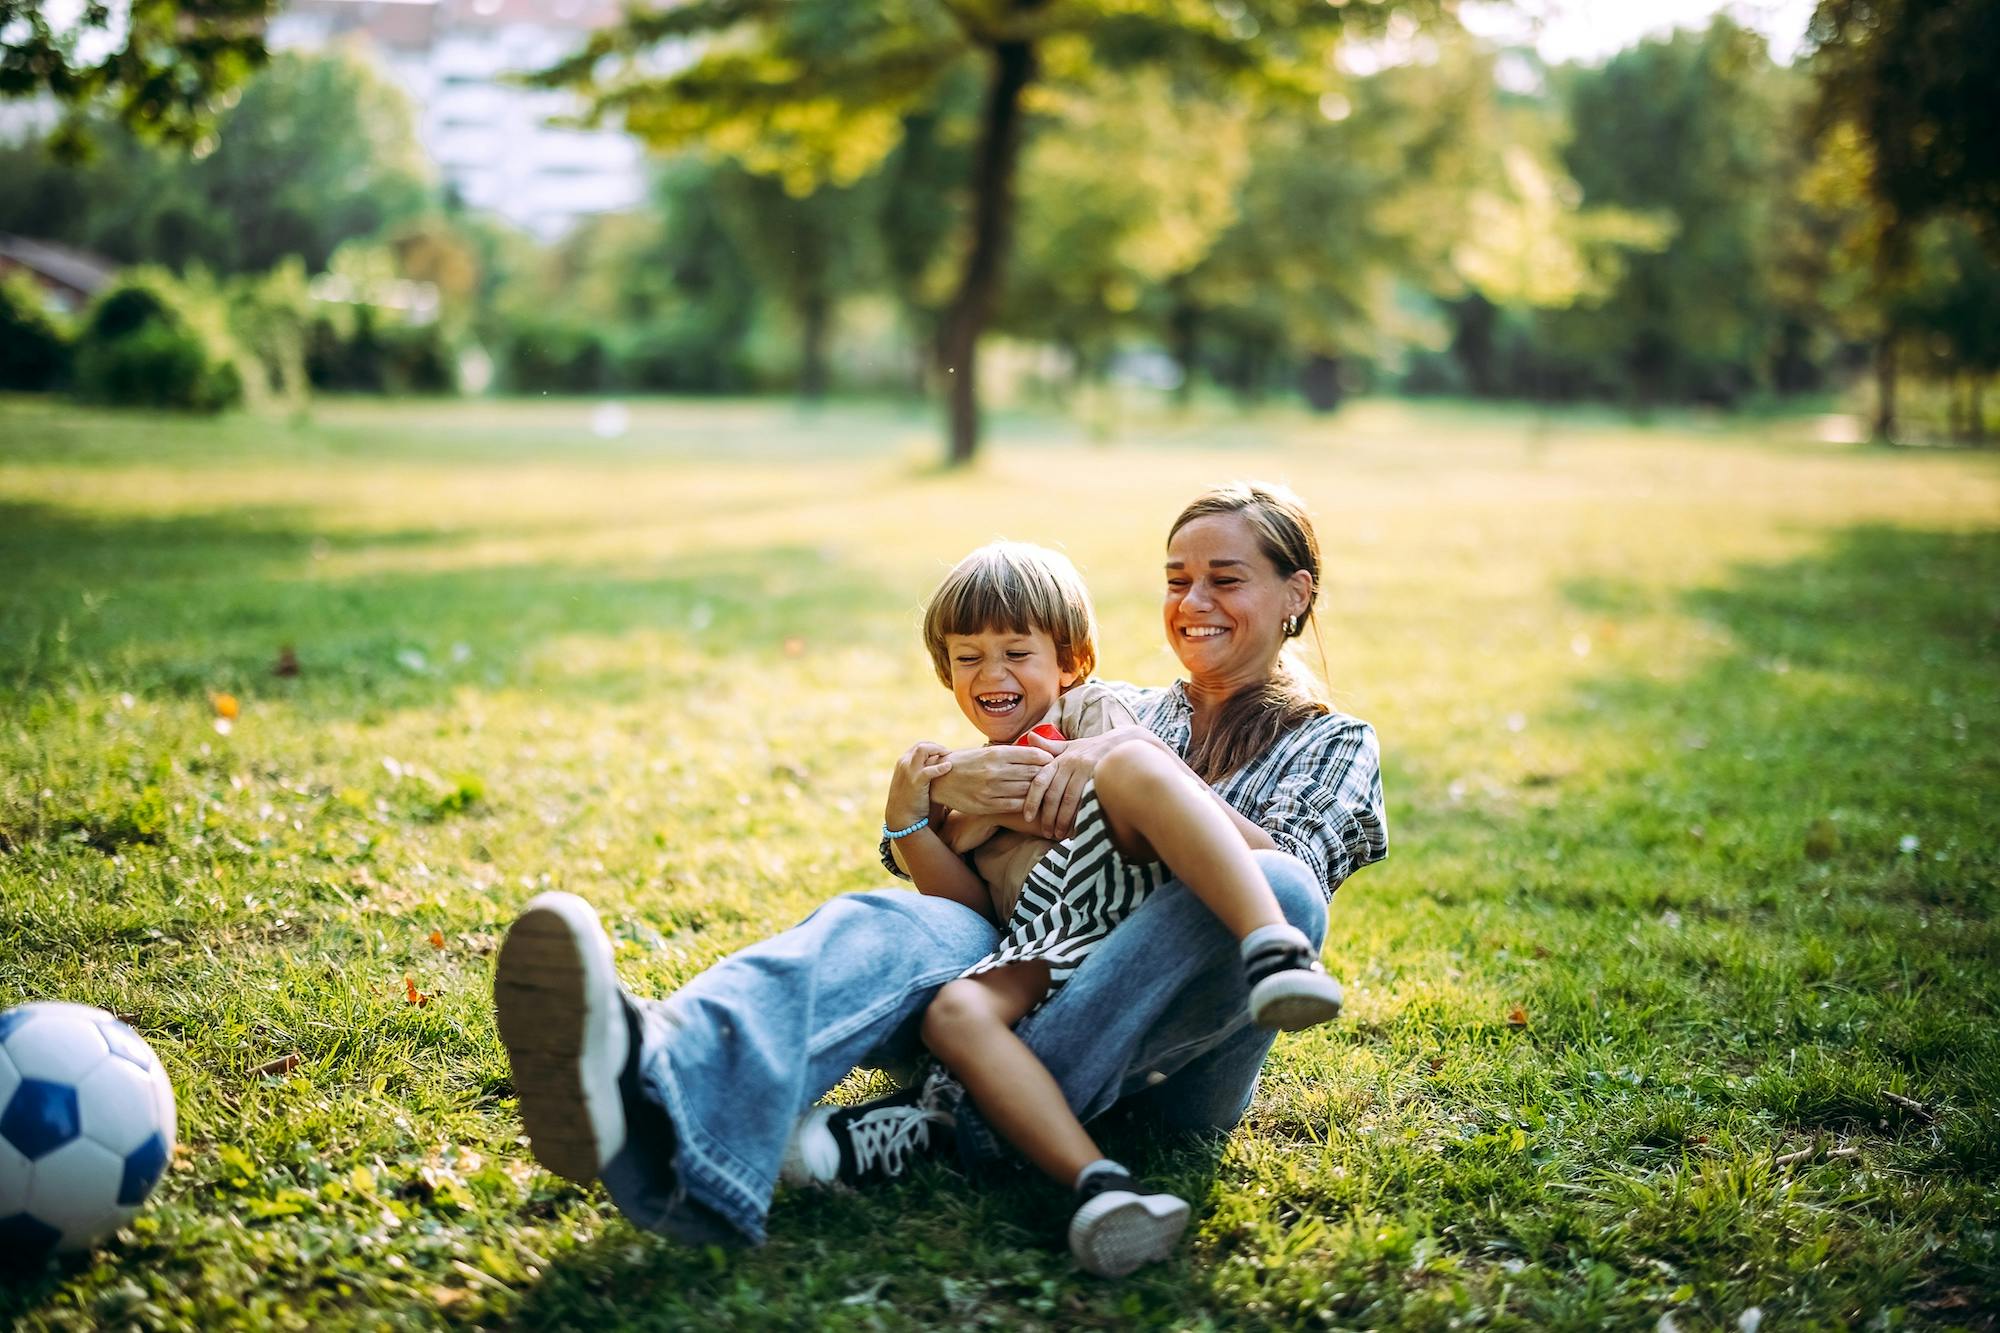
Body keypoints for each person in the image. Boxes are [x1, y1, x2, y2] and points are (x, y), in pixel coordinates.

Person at [491, 481, 1387, 1261]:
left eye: (1224, 579)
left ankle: (950, 1119)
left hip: (1172, 1052)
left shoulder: (1331, 741)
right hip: (1032, 969)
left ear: (1295, 593)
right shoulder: (1112, 702)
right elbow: (978, 847)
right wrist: (922, 801)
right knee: (894, 921)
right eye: (1176, 578)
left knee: (1280, 891)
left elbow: (1296, 874)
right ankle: (657, 1077)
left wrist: (1131, 770)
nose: (1193, 600)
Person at [870, 539, 1344, 1275]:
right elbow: (971, 911)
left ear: (1071, 662)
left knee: (1131, 762)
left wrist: (983, 801)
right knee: (954, 1013)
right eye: (968, 658)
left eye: (1016, 653)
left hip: (1126, 907)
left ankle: (1272, 946)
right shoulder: (962, 793)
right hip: (1047, 935)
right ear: (946, 670)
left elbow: (1134, 778)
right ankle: (1098, 1183)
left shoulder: (1089, 709)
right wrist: (914, 824)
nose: (991, 675)